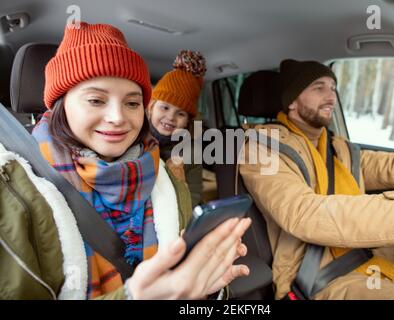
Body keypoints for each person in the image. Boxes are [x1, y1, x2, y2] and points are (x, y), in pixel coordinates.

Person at [0, 22, 251, 300]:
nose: (117, 117)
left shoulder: (166, 180)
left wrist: (204, 284)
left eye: (132, 103)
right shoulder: (12, 190)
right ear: (61, 104)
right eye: (96, 100)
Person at [239, 59, 394, 300]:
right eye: (319, 87)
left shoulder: (338, 148)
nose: (330, 96)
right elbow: (305, 214)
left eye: (333, 88)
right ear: (293, 102)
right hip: (318, 277)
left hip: (364, 252)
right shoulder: (261, 149)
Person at [147, 50, 205, 208]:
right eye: (164, 107)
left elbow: (194, 195)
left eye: (180, 113)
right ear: (151, 107)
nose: (171, 117)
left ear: (187, 122)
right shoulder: (133, 137)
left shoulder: (191, 153)